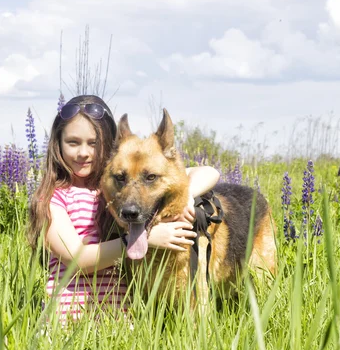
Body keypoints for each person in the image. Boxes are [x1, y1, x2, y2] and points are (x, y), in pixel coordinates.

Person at [27, 94, 220, 324]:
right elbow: (77, 259)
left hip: (118, 320)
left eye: (93, 143)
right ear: (57, 144)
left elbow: (209, 172)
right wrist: (143, 239)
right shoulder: (51, 199)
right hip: (67, 321)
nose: (83, 153)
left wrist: (188, 194)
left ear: (109, 146)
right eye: (73, 142)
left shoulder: (111, 186)